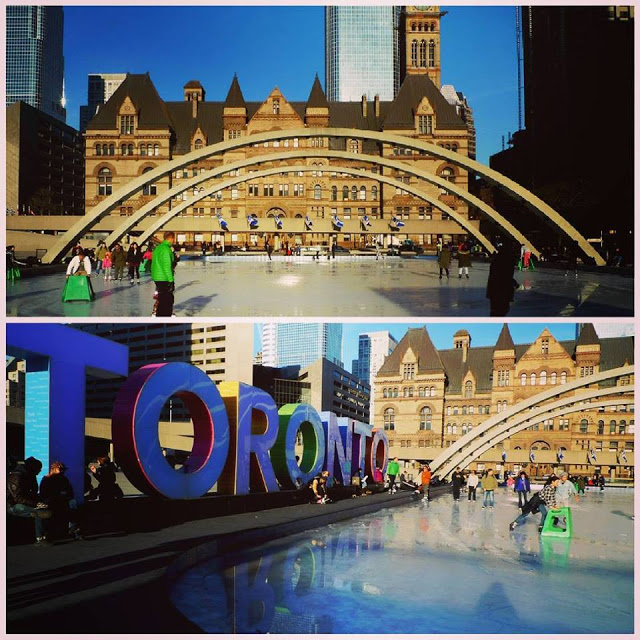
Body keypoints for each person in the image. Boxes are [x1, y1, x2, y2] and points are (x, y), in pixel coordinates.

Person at [7, 457, 52, 545]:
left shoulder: (28, 476)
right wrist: (37, 504)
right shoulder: (17, 477)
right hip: (11, 505)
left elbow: (33, 493)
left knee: (44, 508)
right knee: (39, 512)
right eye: (38, 469)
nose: (39, 471)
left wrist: (41, 502)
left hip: (21, 502)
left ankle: (43, 536)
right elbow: (18, 498)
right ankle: (40, 539)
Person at [39, 461, 82, 540]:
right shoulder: (47, 479)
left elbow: (70, 492)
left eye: (63, 470)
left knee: (72, 503)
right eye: (61, 469)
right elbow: (44, 494)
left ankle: (73, 529)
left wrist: (64, 496)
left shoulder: (63, 479)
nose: (63, 471)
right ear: (54, 469)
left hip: (62, 500)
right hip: (53, 501)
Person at [486, 244, 518, 316]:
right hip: (501, 292)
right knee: (501, 310)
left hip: (495, 291)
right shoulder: (505, 261)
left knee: (497, 310)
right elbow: (504, 276)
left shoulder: (498, 260)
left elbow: (501, 275)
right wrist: (512, 282)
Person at [151, 231, 177, 317]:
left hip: (157, 277)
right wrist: (171, 281)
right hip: (164, 278)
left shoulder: (158, 248)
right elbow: (167, 266)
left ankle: (160, 316)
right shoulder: (166, 250)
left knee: (162, 299)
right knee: (168, 300)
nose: (174, 241)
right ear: (171, 238)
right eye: (174, 238)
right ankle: (165, 318)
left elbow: (154, 263)